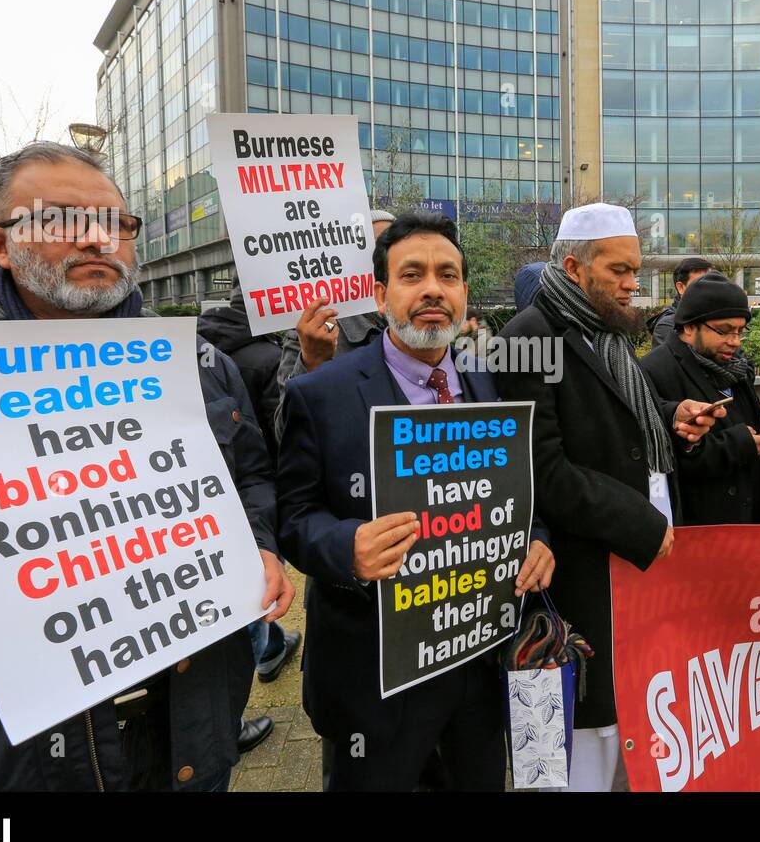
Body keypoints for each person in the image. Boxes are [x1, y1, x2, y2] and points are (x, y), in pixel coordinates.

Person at [0, 141, 294, 791]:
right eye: (62, 219)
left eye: (116, 223)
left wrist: (258, 547)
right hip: (6, 759)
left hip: (189, 733)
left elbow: (251, 480)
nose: (98, 241)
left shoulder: (200, 366)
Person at [276, 212, 555, 791]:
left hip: (477, 666)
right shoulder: (318, 393)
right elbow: (293, 517)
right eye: (412, 274)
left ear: (463, 294)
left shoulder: (490, 382)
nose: (433, 288)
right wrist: (345, 547)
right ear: (381, 295)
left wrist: (539, 542)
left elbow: (524, 494)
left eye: (447, 275)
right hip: (374, 682)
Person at [496, 202, 725, 792]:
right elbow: (541, 469)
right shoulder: (528, 338)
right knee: (591, 732)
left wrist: (674, 418)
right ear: (575, 267)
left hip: (643, 561)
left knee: (637, 704)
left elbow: (621, 418)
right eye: (620, 271)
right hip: (589, 568)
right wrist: (640, 523)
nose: (633, 284)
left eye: (637, 270)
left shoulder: (606, 329)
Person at [196, 283, 303, 753]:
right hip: (210, 527)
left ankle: (273, 644)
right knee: (246, 604)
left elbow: (249, 461)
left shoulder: (209, 352)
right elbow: (271, 434)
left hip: (229, 518)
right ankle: (267, 649)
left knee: (254, 593)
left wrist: (263, 540)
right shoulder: (262, 356)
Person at [640, 273, 760, 525]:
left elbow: (757, 418)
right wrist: (739, 443)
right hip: (700, 530)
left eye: (740, 331)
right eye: (724, 331)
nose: (735, 342)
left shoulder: (734, 368)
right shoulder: (656, 369)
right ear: (689, 326)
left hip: (750, 522)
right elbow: (668, 458)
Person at [271, 209, 392, 445]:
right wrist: (313, 362)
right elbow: (285, 434)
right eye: (380, 247)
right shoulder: (314, 332)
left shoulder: (414, 327)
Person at [646, 257, 712, 349]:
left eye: (711, 284)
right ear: (680, 287)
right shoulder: (668, 326)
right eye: (700, 285)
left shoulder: (716, 317)